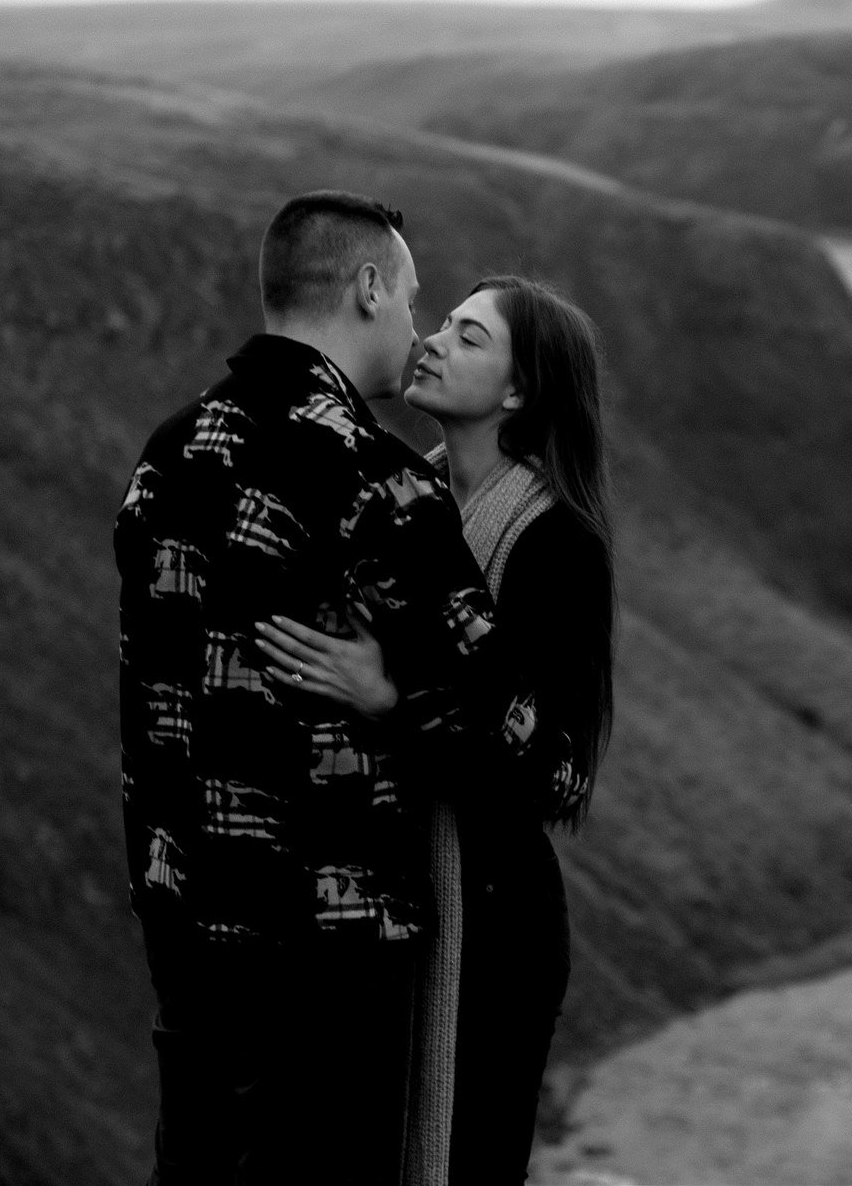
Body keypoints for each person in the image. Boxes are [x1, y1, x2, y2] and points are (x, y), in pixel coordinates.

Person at [114, 190, 497, 1185]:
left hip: (186, 919)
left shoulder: (167, 456)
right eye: (409, 297)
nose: (414, 325)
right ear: (367, 288)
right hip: (330, 944)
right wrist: (393, 698)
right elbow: (496, 718)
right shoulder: (380, 480)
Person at [254, 275, 616, 1184]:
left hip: (493, 932)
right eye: (443, 322)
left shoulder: (558, 546)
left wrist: (394, 699)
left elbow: (559, 774)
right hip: (372, 909)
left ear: (519, 390)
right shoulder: (391, 506)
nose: (434, 341)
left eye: (469, 336)